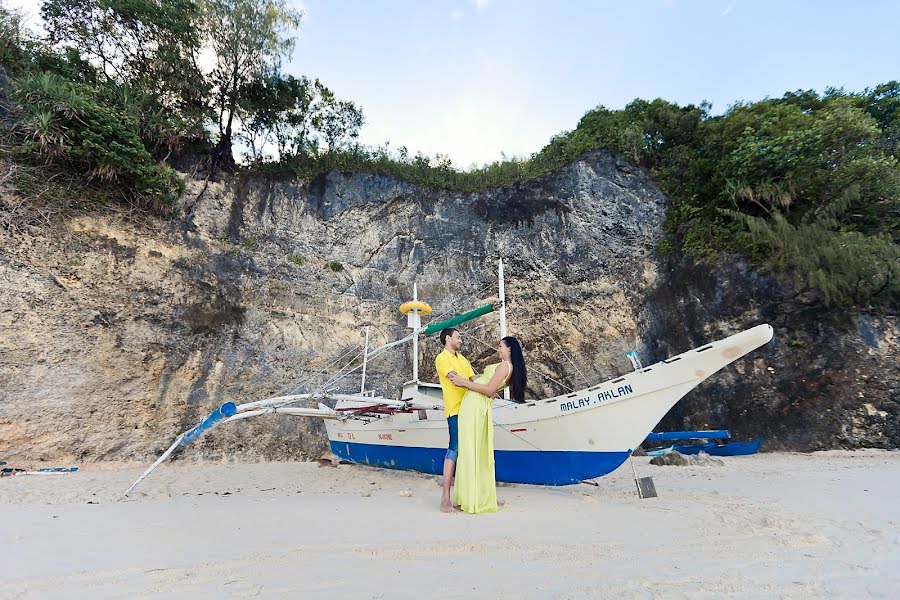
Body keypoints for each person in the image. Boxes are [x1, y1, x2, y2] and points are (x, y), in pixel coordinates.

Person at [448, 336, 527, 514]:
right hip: (477, 405)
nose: (498, 349)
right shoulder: (508, 367)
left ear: (509, 350)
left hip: (475, 406)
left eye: (500, 346)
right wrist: (469, 378)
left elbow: (490, 389)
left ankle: (471, 500)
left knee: (470, 450)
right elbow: (488, 384)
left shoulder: (505, 366)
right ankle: (470, 497)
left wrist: (463, 383)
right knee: (473, 450)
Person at [434, 328, 475, 513]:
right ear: (448, 338)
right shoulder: (442, 358)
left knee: (468, 452)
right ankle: (445, 499)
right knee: (455, 448)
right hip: (455, 410)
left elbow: (473, 379)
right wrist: (480, 386)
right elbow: (456, 380)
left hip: (469, 410)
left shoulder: (463, 359)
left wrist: (493, 383)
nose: (461, 340)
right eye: (458, 337)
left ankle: (467, 497)